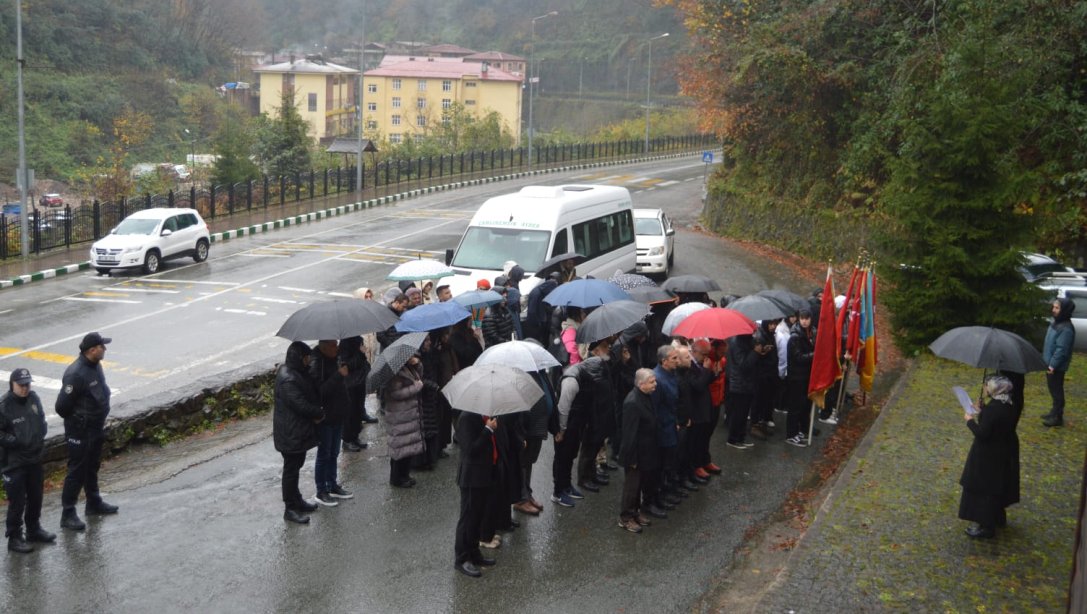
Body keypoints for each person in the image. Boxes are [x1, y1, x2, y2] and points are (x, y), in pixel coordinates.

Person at [55, 332, 118, 531]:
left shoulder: (95, 365)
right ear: (92, 350)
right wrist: (79, 421)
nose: (105, 349)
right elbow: (62, 407)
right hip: (80, 431)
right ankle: (68, 513)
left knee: (92, 466)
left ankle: (93, 502)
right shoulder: (76, 374)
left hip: (95, 427)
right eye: (102, 346)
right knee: (77, 471)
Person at [958, 375, 1020, 539]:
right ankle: (997, 518)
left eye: (986, 386)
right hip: (1000, 453)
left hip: (987, 456)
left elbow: (983, 433)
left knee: (984, 490)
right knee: (995, 488)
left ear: (994, 389)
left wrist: (970, 420)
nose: (984, 388)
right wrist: (983, 410)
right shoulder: (1006, 403)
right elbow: (995, 424)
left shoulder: (995, 409)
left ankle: (986, 527)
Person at [1, 369, 55, 553]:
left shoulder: (34, 398)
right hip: (14, 461)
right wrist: (14, 442)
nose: (25, 388)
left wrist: (40, 436)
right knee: (17, 501)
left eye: (27, 384)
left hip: (33, 457)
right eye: (21, 385)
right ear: (12, 385)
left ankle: (34, 529)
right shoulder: (4, 405)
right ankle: (14, 537)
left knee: (36, 496)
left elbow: (40, 420)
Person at [273, 341, 324, 524]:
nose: (309, 360)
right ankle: (290, 508)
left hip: (296, 432)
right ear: (299, 358)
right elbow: (300, 404)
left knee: (296, 466)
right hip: (290, 433)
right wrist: (318, 413)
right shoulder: (288, 379)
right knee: (291, 470)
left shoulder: (297, 373)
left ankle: (297, 500)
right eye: (306, 357)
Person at [453, 412, 498, 578]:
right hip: (471, 476)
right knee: (468, 518)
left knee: (477, 517)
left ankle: (474, 553)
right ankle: (461, 558)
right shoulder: (466, 418)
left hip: (484, 474)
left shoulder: (483, 416)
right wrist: (488, 430)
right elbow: (470, 450)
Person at [309, 340, 353, 506]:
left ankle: (332, 484)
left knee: (334, 452)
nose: (337, 347)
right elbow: (319, 391)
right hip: (325, 416)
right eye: (333, 345)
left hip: (338, 412)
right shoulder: (316, 363)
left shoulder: (335, 358)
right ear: (324, 347)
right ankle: (321, 490)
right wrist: (338, 375)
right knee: (324, 454)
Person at [618, 368, 660, 534]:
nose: (655, 384)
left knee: (639, 485)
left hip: (646, 450)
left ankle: (635, 512)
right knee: (631, 487)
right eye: (652, 382)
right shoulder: (632, 403)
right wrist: (632, 458)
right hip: (635, 454)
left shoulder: (645, 396)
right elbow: (629, 434)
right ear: (641, 384)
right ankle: (626, 518)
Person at [382, 353, 426, 488]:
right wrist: (416, 387)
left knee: (407, 449)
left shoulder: (408, 366)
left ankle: (404, 475)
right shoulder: (394, 372)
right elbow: (396, 393)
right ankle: (396, 478)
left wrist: (417, 364)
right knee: (399, 450)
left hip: (408, 414)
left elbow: (419, 377)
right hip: (399, 415)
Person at [1042, 297, 1076, 427]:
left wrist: (1052, 365)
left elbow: (1062, 350)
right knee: (1053, 390)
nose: (1053, 310)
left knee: (1057, 392)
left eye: (1057, 308)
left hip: (1056, 367)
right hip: (1049, 363)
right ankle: (1053, 412)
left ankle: (1057, 417)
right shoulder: (1056, 322)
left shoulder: (1066, 328)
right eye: (1054, 307)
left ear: (1064, 310)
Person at [784, 310, 816, 446]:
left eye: (807, 318)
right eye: (802, 318)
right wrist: (814, 355)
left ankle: (799, 429)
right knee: (795, 406)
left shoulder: (812, 332)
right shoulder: (795, 336)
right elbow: (797, 357)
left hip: (805, 375)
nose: (804, 321)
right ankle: (791, 434)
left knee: (803, 405)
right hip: (796, 376)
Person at [340, 335, 376, 454]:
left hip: (360, 380)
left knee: (358, 410)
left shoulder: (358, 339)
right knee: (350, 412)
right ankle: (347, 440)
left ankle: (355, 437)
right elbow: (346, 365)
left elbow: (361, 362)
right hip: (351, 383)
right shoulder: (344, 343)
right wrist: (360, 353)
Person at [525, 273, 559, 344]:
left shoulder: (540, 291)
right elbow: (532, 311)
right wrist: (539, 323)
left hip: (538, 322)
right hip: (535, 324)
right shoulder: (537, 294)